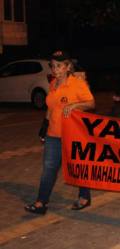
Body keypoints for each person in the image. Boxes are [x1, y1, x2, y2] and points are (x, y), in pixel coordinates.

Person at [25, 51, 95, 215]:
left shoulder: (77, 84)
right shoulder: (53, 84)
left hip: (73, 134)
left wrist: (74, 106)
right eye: (53, 65)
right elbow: (51, 106)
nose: (55, 69)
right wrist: (45, 125)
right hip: (53, 135)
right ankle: (42, 202)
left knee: (78, 167)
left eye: (59, 65)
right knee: (49, 168)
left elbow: (91, 103)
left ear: (68, 66)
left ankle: (85, 196)